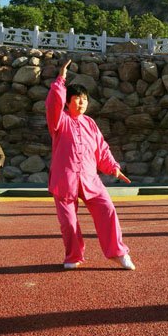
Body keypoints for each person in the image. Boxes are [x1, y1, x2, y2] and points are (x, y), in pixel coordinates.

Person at [46, 59, 135, 270]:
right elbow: (53, 105)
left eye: (84, 99)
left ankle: (118, 253)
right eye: (77, 99)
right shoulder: (60, 121)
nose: (81, 103)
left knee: (108, 210)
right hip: (65, 180)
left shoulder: (90, 123)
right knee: (69, 223)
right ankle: (73, 255)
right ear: (67, 102)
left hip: (90, 179)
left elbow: (101, 149)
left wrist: (114, 168)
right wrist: (60, 80)